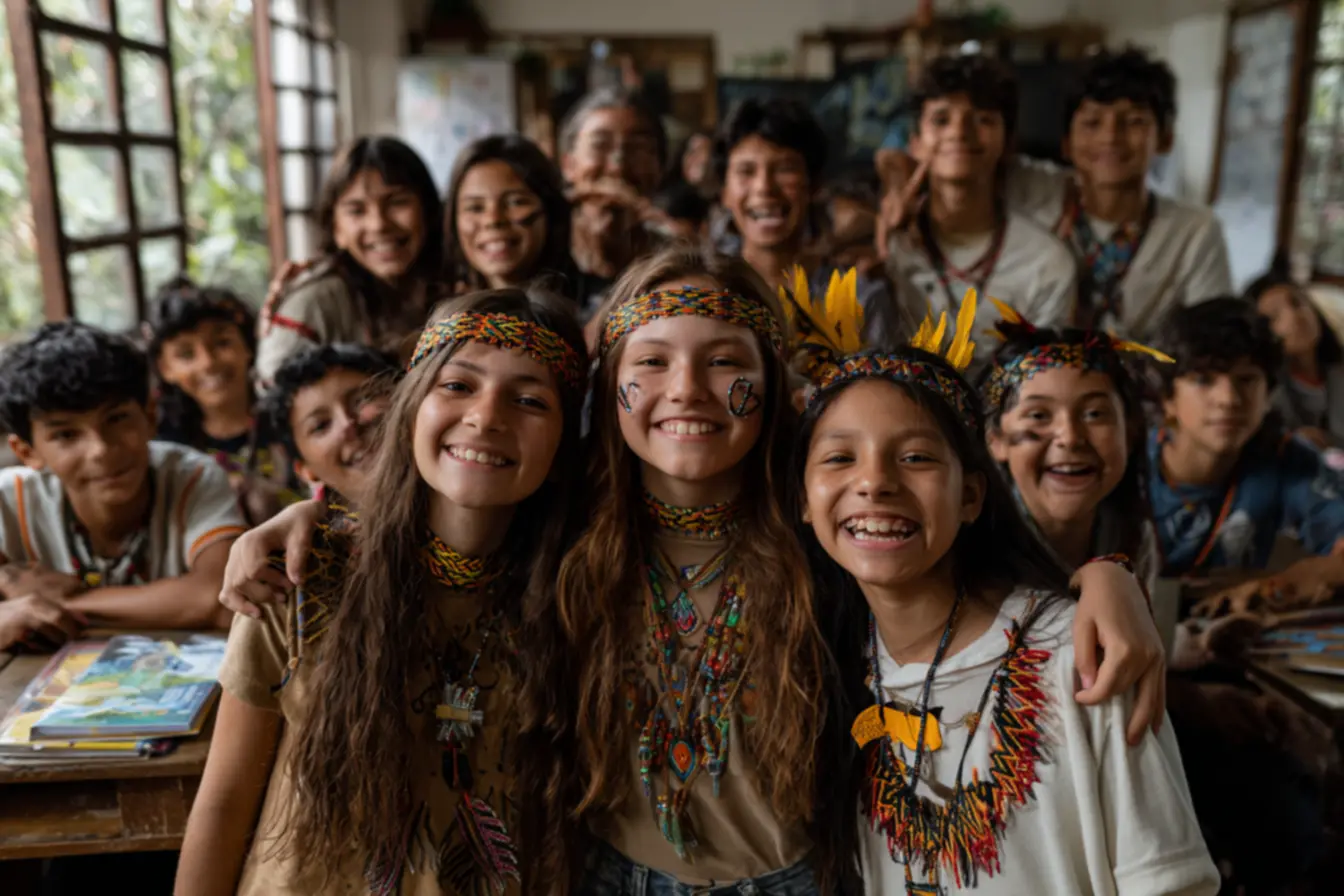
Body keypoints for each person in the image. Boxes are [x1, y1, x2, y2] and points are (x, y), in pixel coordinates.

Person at [175, 288, 589, 895]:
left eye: (529, 399)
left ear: (560, 450)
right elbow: (226, 798)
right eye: (457, 386)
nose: (487, 416)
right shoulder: (299, 575)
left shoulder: (577, 597)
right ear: (410, 409)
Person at [795, 307, 1217, 894]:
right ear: (803, 501)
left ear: (971, 495)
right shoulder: (820, 665)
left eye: (915, 457)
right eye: (841, 457)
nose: (875, 482)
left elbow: (1170, 882)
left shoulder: (1082, 658)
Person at [881, 47, 1231, 342]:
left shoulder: (1194, 232)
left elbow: (1214, 339)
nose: (1111, 137)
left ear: (1166, 138)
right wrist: (896, 191)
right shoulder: (1037, 187)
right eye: (1092, 123)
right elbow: (929, 160)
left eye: (1134, 122)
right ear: (1065, 142)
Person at [0, 322, 244, 631]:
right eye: (66, 435)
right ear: (27, 452)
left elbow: (216, 594)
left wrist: (67, 602)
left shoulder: (192, 477)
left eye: (116, 419)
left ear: (150, 416)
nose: (100, 449)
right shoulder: (8, 501)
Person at [881, 53, 1077, 367]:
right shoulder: (888, 250)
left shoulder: (1044, 262)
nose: (959, 132)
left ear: (1008, 142)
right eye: (941, 119)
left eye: (983, 119)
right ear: (915, 143)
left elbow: (1045, 376)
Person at [1149, 297, 1344, 575]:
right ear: (1167, 396)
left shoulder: (1285, 458)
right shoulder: (1125, 463)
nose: (1228, 399)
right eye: (1204, 380)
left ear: (1268, 394)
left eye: (1247, 379)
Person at [716, 97, 911, 348]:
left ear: (814, 185)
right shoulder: (708, 290)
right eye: (746, 171)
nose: (764, 187)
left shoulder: (861, 296)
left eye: (785, 169)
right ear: (724, 193)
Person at [255, 136, 445, 384]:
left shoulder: (457, 283)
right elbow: (275, 400)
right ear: (336, 229)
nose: (379, 224)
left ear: (428, 210)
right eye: (356, 210)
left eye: (397, 202)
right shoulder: (314, 303)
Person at [146, 277, 301, 523]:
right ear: (165, 368)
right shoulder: (166, 445)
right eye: (186, 354)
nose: (208, 362)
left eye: (222, 342)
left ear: (247, 345)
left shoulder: (293, 417)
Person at [443, 134, 587, 301]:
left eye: (515, 202)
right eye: (475, 207)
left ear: (551, 210)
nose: (493, 220)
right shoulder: (440, 321)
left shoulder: (600, 314)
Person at [253, 343, 399, 507]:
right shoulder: (314, 532)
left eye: (361, 400)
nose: (347, 425)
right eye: (321, 425)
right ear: (306, 472)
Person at [558, 86, 667, 301]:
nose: (617, 167)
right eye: (600, 145)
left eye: (638, 147)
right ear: (568, 164)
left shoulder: (677, 255)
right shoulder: (538, 249)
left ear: (660, 166)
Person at [1249, 268, 1344, 448]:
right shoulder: (1265, 393)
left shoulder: (1338, 374)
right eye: (1274, 317)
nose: (1295, 317)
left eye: (1297, 303)